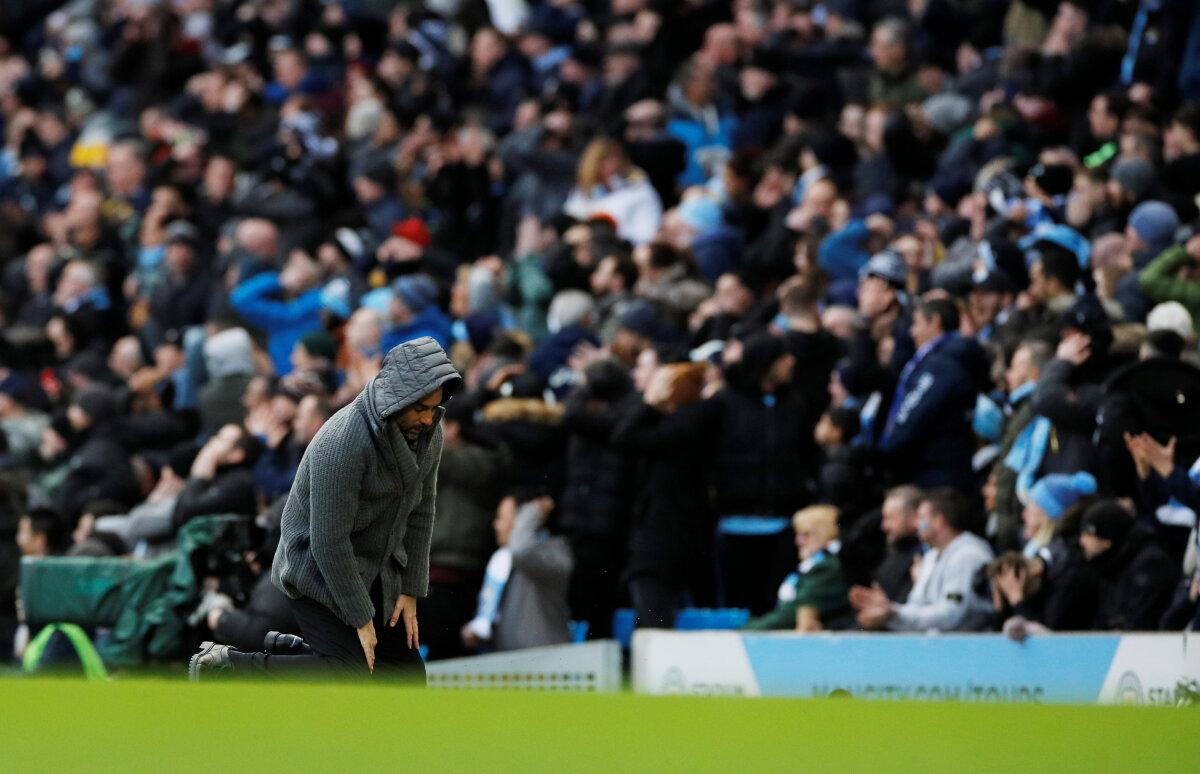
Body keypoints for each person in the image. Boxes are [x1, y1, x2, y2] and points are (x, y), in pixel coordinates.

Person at [190, 337, 461, 681]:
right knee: (350, 673)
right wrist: (361, 619)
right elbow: (329, 542)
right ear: (397, 395)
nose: (428, 419)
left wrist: (410, 588)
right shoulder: (343, 439)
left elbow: (421, 512)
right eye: (420, 408)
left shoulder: (429, 432)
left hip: (377, 570)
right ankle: (229, 665)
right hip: (316, 570)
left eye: (434, 408)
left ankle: (297, 653)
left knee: (405, 680)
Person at [851, 488, 995, 632]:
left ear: (939, 521)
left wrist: (895, 613)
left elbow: (950, 615)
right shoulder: (931, 556)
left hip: (970, 646)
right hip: (933, 645)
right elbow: (916, 605)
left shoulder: (968, 554)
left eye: (921, 517)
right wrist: (889, 611)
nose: (916, 523)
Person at [461, 496, 573, 652]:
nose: (496, 525)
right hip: (512, 664)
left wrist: (533, 512)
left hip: (546, 665)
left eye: (501, 518)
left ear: (522, 521)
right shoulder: (501, 560)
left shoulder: (552, 553)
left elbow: (521, 551)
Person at [743, 506, 851, 631]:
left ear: (826, 534)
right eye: (798, 534)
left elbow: (790, 616)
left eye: (806, 534)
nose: (798, 541)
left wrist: (746, 628)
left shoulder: (827, 568)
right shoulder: (818, 564)